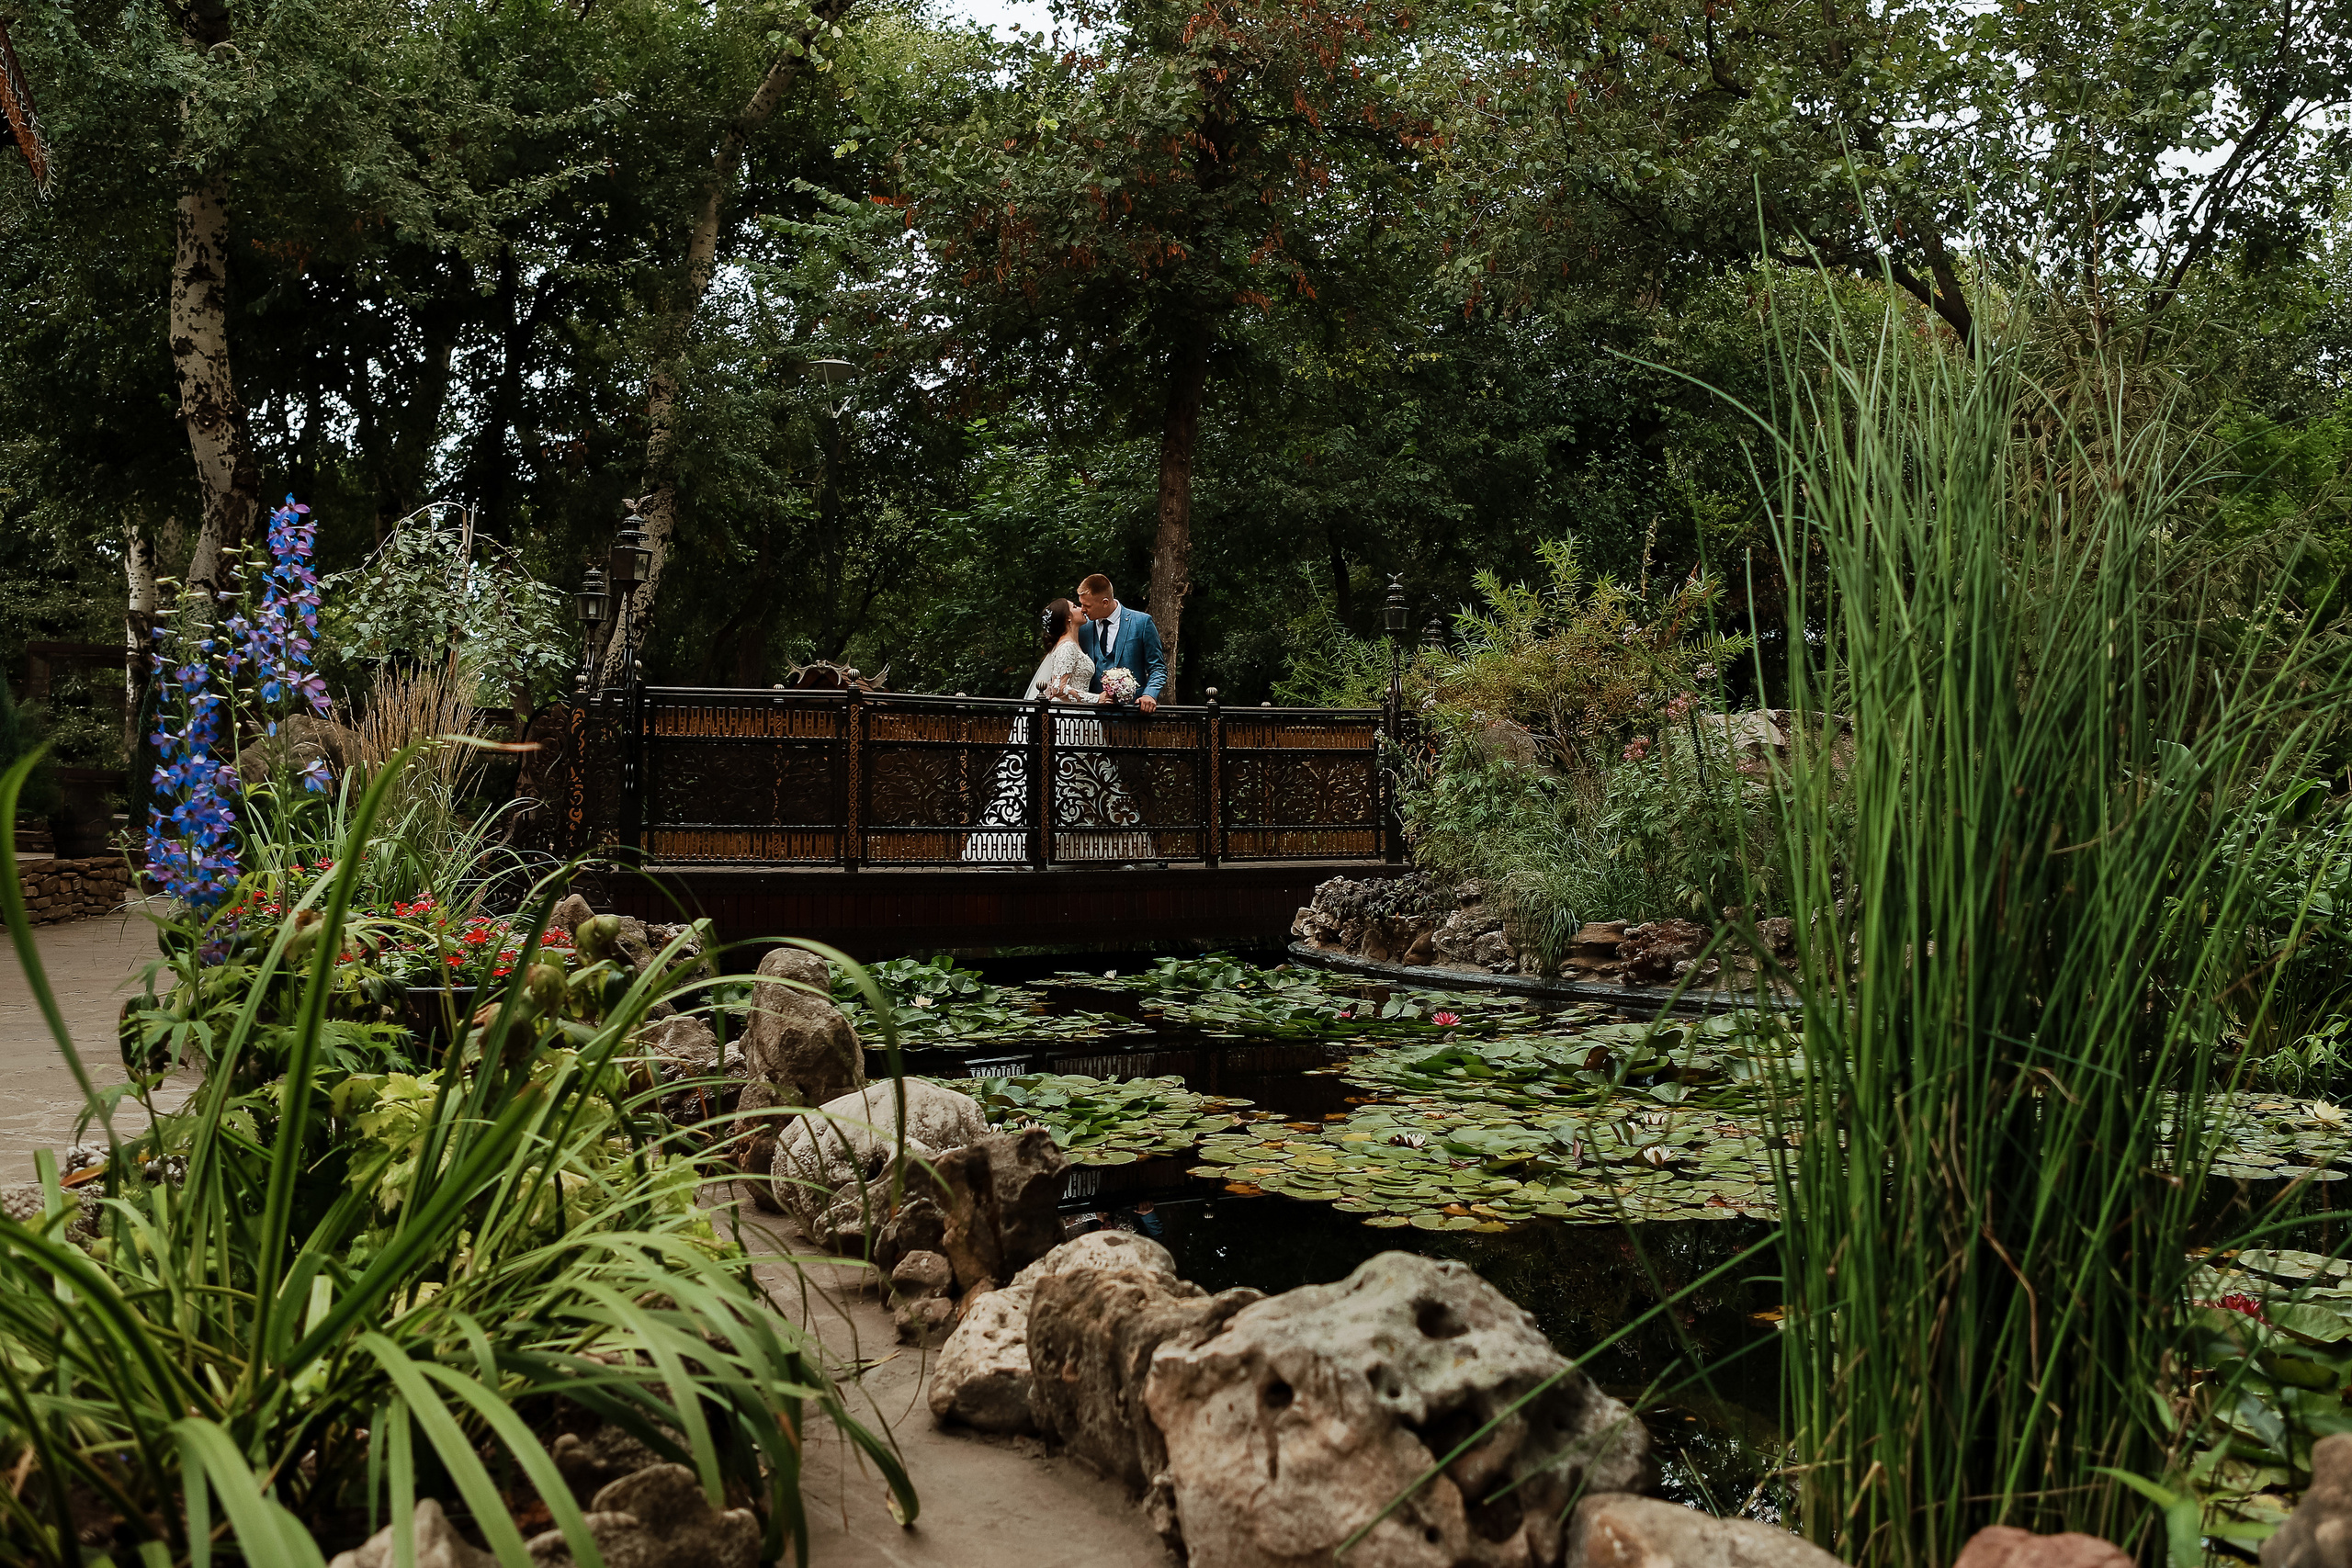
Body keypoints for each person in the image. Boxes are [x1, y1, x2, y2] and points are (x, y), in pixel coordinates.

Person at [964, 598, 1146, 862]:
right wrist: (1098, 698)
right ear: (1068, 619)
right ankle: (1064, 851)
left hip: (1080, 724)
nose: (1080, 608)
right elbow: (1057, 689)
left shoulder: (1071, 646)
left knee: (1081, 786)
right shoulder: (1067, 648)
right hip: (1070, 724)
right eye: (1074, 606)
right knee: (1072, 785)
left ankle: (1080, 851)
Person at [1075, 574, 1167, 713]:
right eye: (1081, 604)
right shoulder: (1083, 628)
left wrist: (1149, 694)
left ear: (1105, 602)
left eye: (1087, 605)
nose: (1082, 609)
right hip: (1092, 717)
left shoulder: (1142, 623)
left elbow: (1158, 667)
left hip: (1132, 715)